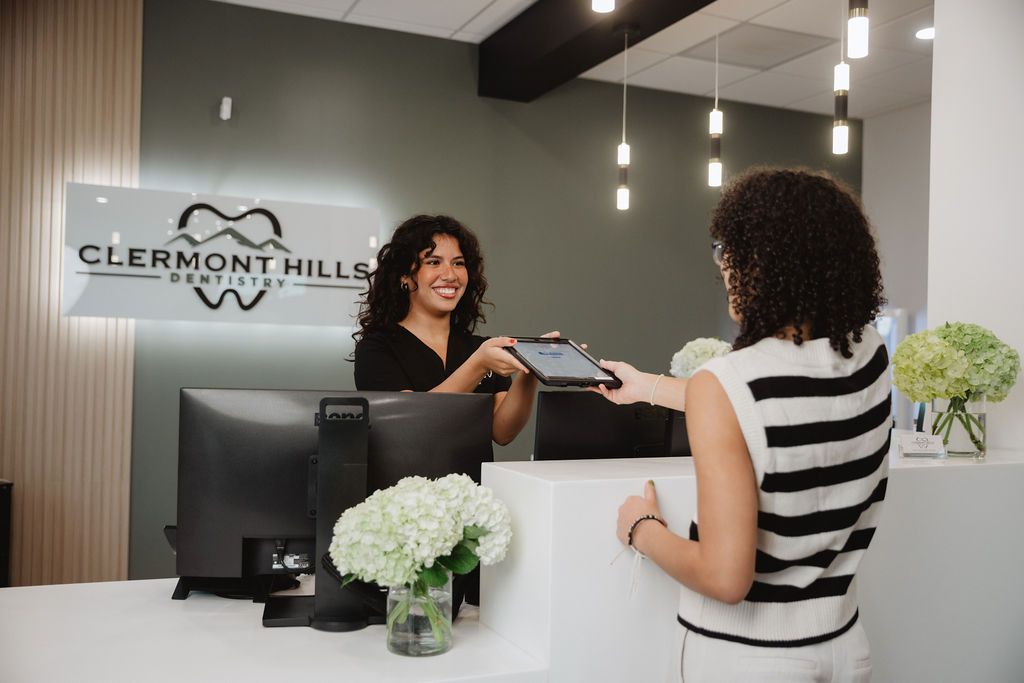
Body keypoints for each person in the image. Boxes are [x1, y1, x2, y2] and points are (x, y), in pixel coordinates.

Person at [596, 168, 890, 682]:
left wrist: (640, 529)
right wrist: (649, 387)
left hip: (748, 659)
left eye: (727, 252)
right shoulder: (867, 352)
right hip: (845, 648)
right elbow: (780, 408)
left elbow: (724, 575)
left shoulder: (729, 381)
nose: (725, 269)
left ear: (763, 263)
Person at [354, 213, 548, 445]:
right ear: (404, 276)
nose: (450, 275)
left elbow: (502, 433)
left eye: (458, 263)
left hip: (471, 482)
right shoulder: (377, 348)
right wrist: (478, 364)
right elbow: (412, 423)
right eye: (434, 262)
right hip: (405, 481)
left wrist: (530, 371)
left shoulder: (478, 348)